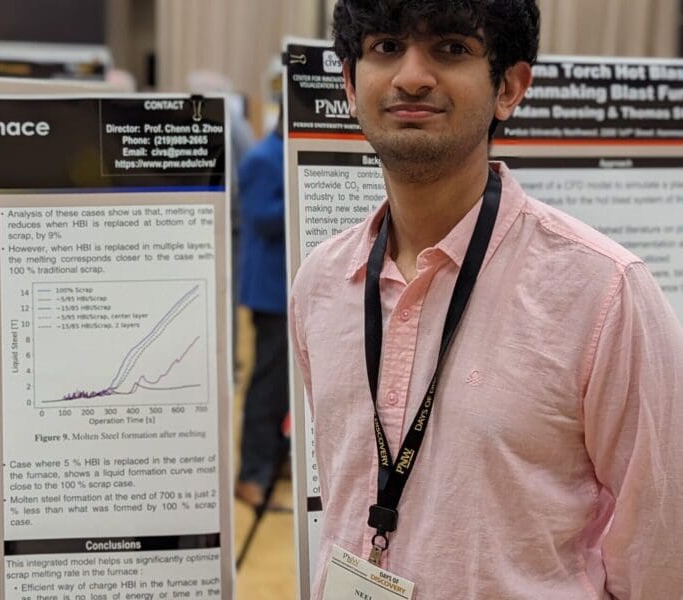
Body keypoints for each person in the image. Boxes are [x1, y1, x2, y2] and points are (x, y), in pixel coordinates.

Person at [288, 1, 683, 598]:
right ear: (349, 81)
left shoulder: (603, 292)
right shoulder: (321, 282)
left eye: (451, 49)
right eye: (386, 47)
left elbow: (661, 553)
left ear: (510, 87)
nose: (411, 77)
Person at [235, 113, 289, 509]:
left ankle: (274, 460)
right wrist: (306, 195)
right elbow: (258, 217)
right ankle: (251, 474)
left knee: (287, 387)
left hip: (288, 289)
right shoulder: (262, 158)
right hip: (269, 291)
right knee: (266, 388)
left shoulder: (281, 155)